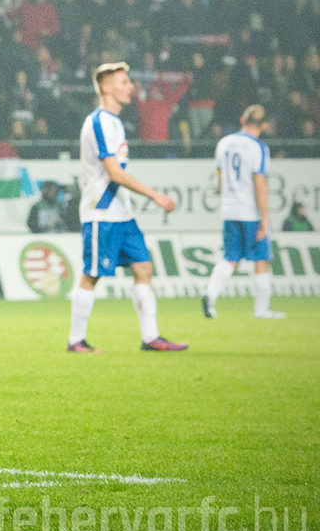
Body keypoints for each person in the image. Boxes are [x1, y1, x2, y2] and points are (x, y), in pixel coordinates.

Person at [66, 62, 186, 353]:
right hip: (101, 212)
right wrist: (154, 195)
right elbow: (114, 173)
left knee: (143, 267)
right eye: (124, 82)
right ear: (106, 88)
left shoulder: (116, 122)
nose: (131, 86)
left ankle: (151, 337)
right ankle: (75, 340)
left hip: (122, 214)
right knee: (92, 275)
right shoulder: (98, 122)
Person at [205, 105, 285, 320]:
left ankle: (210, 295)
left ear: (242, 120)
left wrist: (225, 195)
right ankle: (262, 310)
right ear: (265, 125)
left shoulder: (224, 143)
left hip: (229, 210)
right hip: (250, 212)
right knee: (261, 259)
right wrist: (265, 216)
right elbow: (259, 183)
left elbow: (219, 180)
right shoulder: (258, 147)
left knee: (230, 258)